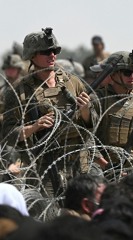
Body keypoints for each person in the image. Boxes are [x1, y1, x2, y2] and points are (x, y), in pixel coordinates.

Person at [2, 27, 95, 197]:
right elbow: (8, 134)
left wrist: (86, 110)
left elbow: (93, 123)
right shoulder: (20, 91)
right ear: (32, 56)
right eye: (46, 52)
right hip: (43, 167)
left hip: (77, 165)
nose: (52, 55)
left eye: (54, 51)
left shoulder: (73, 83)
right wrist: (34, 127)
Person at [88, 51, 133, 174]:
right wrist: (106, 165)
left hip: (132, 170)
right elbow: (87, 138)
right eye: (127, 73)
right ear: (113, 75)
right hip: (102, 170)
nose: (132, 77)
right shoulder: (98, 100)